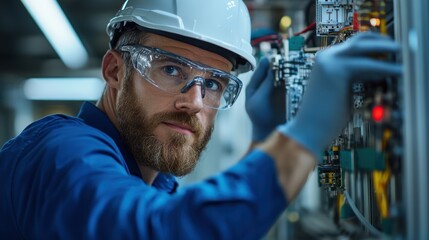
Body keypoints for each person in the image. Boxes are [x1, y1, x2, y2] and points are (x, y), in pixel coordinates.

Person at [0, 0, 402, 239]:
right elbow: (162, 231)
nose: (194, 102)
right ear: (114, 71)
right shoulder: (60, 152)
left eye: (213, 83)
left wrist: (266, 141)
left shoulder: (152, 180)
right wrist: (302, 138)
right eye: (171, 69)